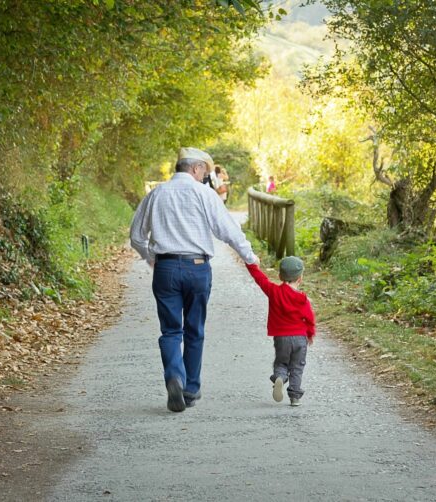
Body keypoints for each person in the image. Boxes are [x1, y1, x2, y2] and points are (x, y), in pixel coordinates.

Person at [130, 147, 259, 412]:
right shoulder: (205, 194)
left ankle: (175, 377)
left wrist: (151, 258)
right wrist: (250, 257)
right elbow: (228, 231)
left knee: (170, 331)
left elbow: (136, 236)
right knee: (194, 329)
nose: (205, 177)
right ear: (196, 168)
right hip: (198, 268)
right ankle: (190, 389)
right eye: (205, 172)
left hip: (166, 268)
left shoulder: (156, 194)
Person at [245, 256, 315, 406]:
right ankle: (295, 397)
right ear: (300, 278)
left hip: (281, 338)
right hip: (300, 338)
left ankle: (280, 378)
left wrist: (250, 263)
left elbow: (260, 279)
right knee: (297, 366)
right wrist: (310, 334)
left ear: (280, 276)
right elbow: (309, 318)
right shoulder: (302, 298)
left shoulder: (273, 291)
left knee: (281, 363)